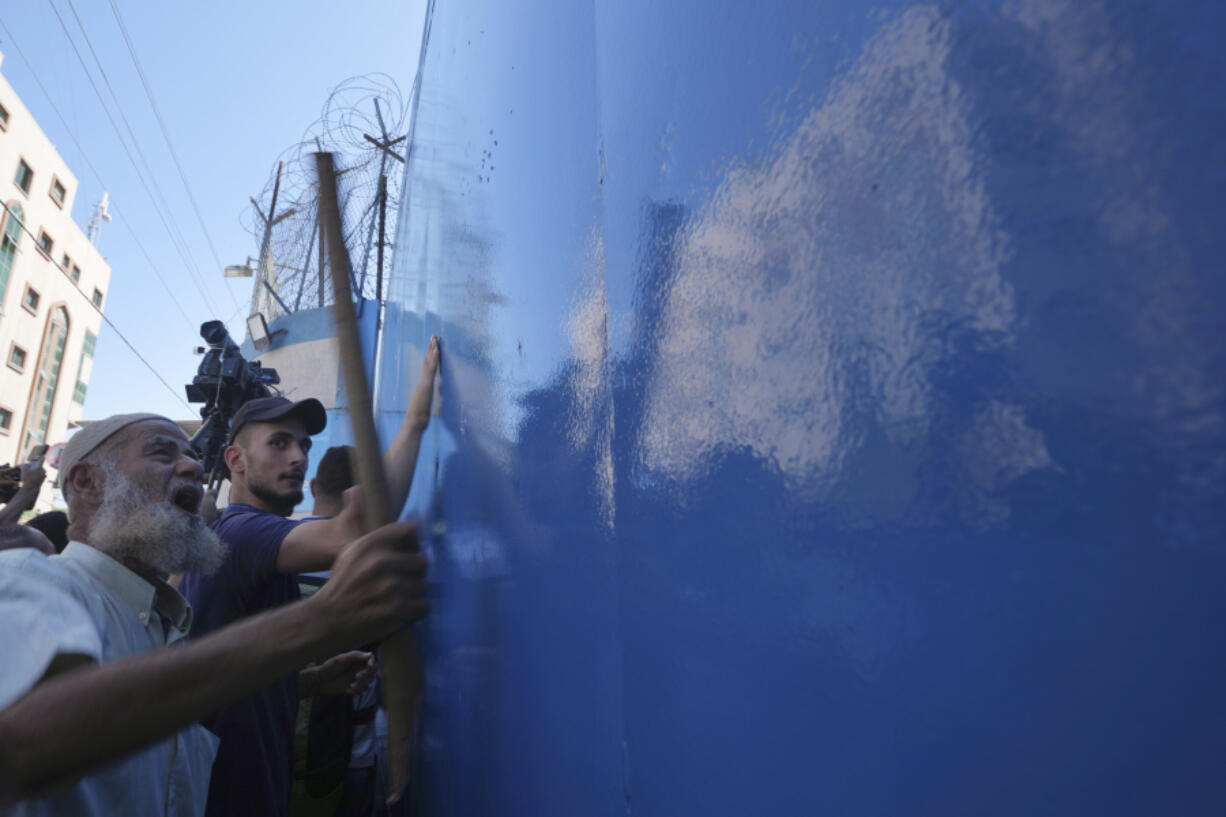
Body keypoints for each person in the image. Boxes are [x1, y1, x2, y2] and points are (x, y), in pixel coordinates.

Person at [0, 413, 428, 815]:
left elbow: (159, 703)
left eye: (191, 457)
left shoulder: (162, 624)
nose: (190, 467)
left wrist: (308, 682)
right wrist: (321, 620)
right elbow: (24, 739)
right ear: (88, 481)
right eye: (162, 453)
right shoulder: (29, 577)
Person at [180, 336, 439, 817]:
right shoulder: (243, 534)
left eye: (302, 444)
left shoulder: (260, 543)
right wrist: (418, 420)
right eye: (279, 443)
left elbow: (232, 681)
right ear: (235, 461)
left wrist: (312, 682)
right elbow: (363, 526)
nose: (298, 457)